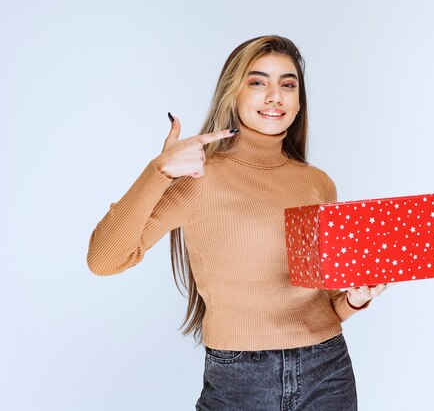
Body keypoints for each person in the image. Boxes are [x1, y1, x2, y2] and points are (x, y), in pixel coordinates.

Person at [87, 35, 388, 410]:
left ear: (299, 103)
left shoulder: (318, 183)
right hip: (240, 378)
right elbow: (103, 259)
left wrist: (353, 301)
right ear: (233, 93)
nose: (275, 96)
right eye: (258, 82)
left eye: (288, 85)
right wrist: (158, 172)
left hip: (328, 370)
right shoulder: (200, 177)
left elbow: (320, 302)